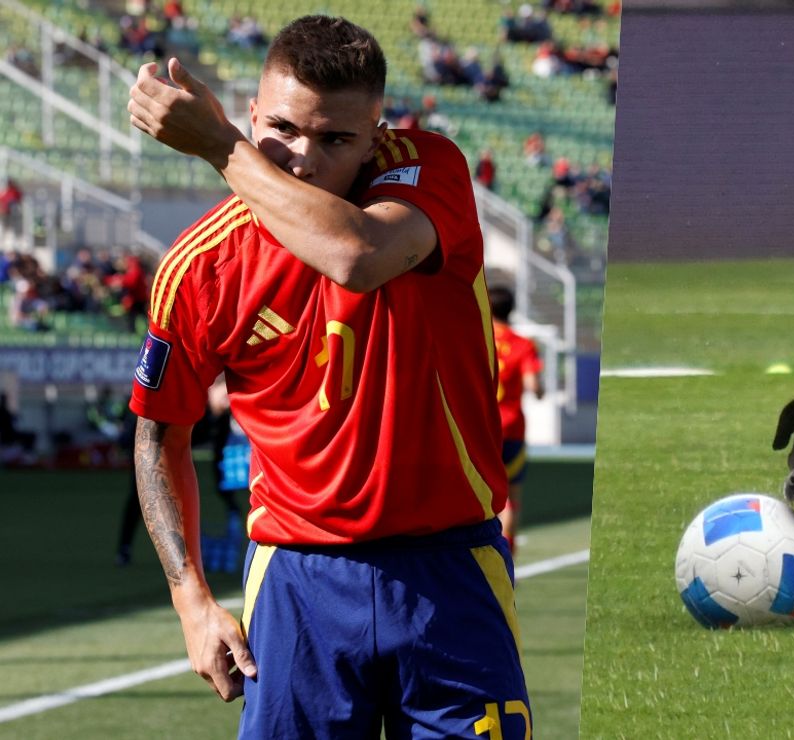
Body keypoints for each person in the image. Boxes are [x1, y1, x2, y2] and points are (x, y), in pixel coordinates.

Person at [126, 15, 528, 738]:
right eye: (280, 128)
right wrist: (192, 601)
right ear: (252, 112)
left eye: (335, 138)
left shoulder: (426, 167)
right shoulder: (198, 268)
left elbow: (358, 255)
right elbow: (160, 439)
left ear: (376, 135)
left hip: (451, 569)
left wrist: (224, 147)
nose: (302, 158)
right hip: (296, 581)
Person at [489, 285, 544, 553]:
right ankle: (507, 563)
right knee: (510, 499)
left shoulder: (478, 338)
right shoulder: (523, 344)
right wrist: (540, 390)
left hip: (479, 430)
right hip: (511, 430)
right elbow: (534, 387)